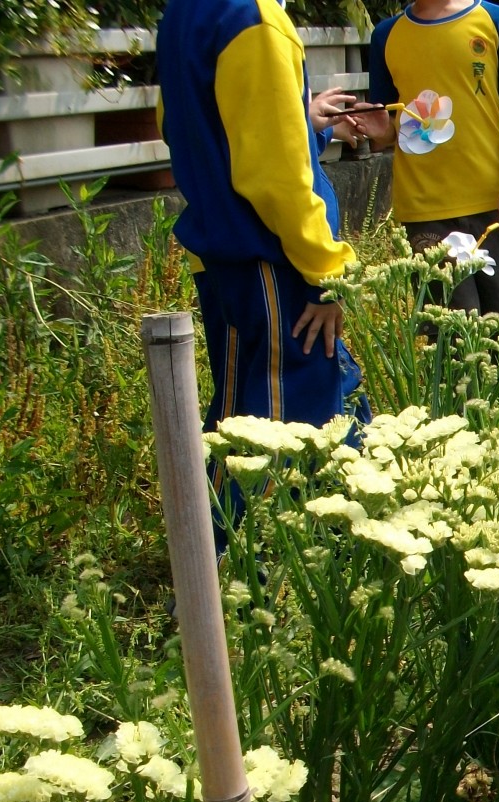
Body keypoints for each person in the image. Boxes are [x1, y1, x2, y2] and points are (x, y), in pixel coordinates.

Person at [156, 0, 370, 534]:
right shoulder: (255, 18)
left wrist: (306, 124)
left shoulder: (186, 12)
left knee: (238, 414)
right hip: (275, 259)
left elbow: (190, 128)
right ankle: (239, 565)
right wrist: (328, 274)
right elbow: (276, 175)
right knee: (280, 428)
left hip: (224, 254)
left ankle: (210, 549)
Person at [357, 0, 499, 322]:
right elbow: (392, 128)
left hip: (494, 206)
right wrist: (379, 131)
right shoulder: (386, 35)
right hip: (424, 209)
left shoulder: (496, 21)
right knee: (449, 332)